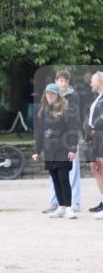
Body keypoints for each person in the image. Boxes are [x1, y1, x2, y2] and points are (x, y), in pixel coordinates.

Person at [33, 83, 81, 219]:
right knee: (55, 179)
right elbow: (39, 133)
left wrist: (72, 148)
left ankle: (69, 208)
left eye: (52, 94)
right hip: (49, 150)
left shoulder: (66, 109)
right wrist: (37, 150)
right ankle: (61, 207)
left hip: (63, 149)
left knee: (64, 178)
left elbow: (73, 130)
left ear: (58, 95)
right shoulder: (43, 111)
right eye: (47, 93)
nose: (49, 96)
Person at [44, 71, 83, 213]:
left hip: (68, 139)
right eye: (60, 81)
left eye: (66, 81)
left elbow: (73, 120)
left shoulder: (73, 97)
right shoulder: (50, 97)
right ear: (56, 81)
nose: (63, 83)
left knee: (72, 172)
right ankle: (55, 201)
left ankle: (75, 201)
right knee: (55, 173)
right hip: (54, 143)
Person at [83, 71, 103, 219]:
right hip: (94, 138)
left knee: (101, 168)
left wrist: (96, 127)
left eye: (93, 81)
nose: (90, 83)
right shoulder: (97, 98)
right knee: (95, 167)